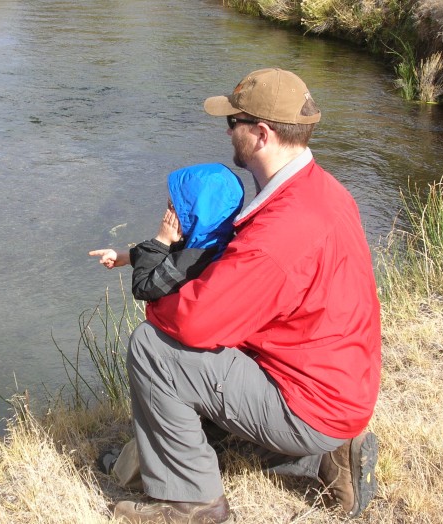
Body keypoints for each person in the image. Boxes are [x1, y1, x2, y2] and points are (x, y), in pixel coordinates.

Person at [112, 68, 382, 524]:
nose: (226, 130)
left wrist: (159, 287)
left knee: (152, 348)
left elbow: (195, 322)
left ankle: (190, 503)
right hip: (340, 383)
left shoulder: (281, 229)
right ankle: (326, 457)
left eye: (232, 122)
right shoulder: (322, 190)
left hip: (312, 401)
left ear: (261, 133)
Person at [89, 163, 244, 302]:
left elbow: (143, 288)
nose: (167, 211)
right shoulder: (212, 240)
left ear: (196, 213)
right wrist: (127, 256)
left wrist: (161, 240)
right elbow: (167, 257)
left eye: (172, 205)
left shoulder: (195, 259)